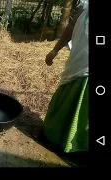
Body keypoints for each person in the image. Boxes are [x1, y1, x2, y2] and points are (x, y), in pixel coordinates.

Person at [43, 2, 88, 153]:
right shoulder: (85, 5)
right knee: (65, 100)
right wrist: (54, 50)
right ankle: (54, 138)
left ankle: (78, 147)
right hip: (77, 63)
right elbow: (70, 28)